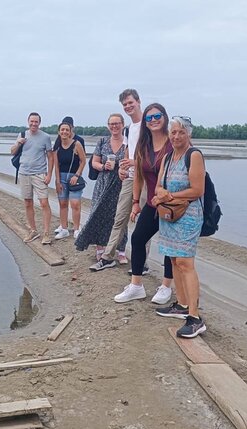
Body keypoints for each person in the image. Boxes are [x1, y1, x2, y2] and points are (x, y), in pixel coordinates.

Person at [113, 103, 175, 304]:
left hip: (172, 205)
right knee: (138, 238)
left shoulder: (172, 143)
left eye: (157, 116)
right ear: (145, 123)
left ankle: (166, 286)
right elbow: (139, 174)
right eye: (149, 118)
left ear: (164, 117)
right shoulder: (143, 144)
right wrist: (135, 202)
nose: (153, 120)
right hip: (151, 203)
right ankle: (136, 286)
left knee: (168, 246)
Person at [153, 116, 206, 338]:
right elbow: (157, 186)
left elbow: (197, 190)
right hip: (169, 216)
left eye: (181, 133)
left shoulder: (193, 156)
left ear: (188, 135)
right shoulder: (167, 157)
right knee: (174, 259)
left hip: (188, 216)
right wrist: (159, 195)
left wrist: (170, 194)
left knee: (185, 262)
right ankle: (182, 305)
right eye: (173, 132)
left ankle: (195, 318)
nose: (176, 137)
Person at [89, 89, 141, 269]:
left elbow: (149, 154)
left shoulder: (144, 127)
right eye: (125, 104)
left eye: (130, 103)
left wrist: (128, 164)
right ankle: (106, 254)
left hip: (137, 180)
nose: (114, 126)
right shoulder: (109, 139)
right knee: (112, 217)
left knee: (133, 220)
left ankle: (133, 257)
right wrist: (114, 167)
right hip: (115, 180)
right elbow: (96, 160)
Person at [74, 113, 127, 256]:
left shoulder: (128, 142)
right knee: (99, 214)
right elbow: (94, 162)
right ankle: (100, 248)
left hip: (120, 183)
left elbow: (132, 161)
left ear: (123, 124)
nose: (114, 126)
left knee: (120, 216)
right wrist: (104, 166)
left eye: (117, 123)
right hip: (103, 182)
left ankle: (121, 250)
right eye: (111, 124)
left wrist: (122, 166)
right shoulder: (103, 141)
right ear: (108, 126)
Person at [10, 112, 54, 245]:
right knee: (28, 202)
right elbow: (12, 152)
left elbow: (50, 157)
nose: (34, 124)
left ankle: (46, 233)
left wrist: (49, 175)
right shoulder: (22, 135)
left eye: (36, 122)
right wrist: (18, 143)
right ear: (28, 122)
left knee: (44, 203)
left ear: (39, 123)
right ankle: (33, 231)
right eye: (32, 121)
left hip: (39, 174)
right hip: (24, 173)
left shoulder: (45, 137)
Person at [53, 121, 86, 239]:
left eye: (67, 130)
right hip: (61, 177)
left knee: (75, 203)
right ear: (59, 132)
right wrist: (57, 181)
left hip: (73, 177)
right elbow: (56, 166)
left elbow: (83, 160)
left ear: (70, 131)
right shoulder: (57, 147)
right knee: (62, 203)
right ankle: (64, 228)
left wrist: (77, 175)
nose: (64, 132)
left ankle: (77, 229)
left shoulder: (76, 144)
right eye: (62, 130)